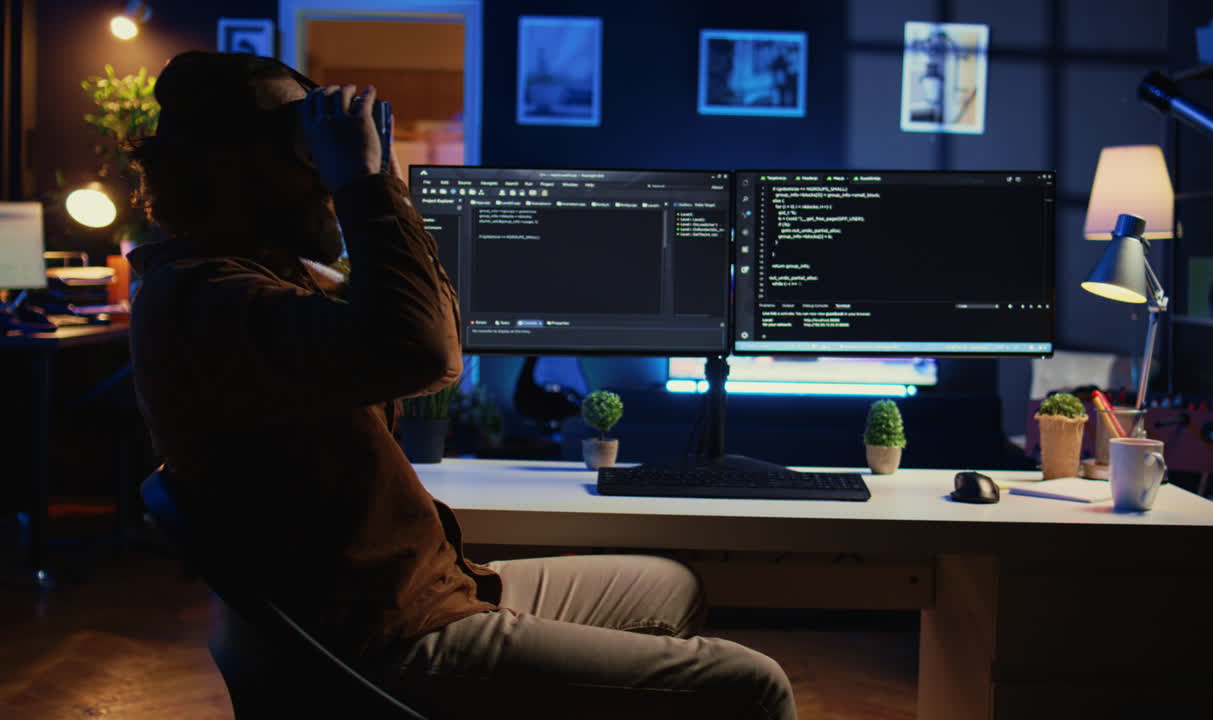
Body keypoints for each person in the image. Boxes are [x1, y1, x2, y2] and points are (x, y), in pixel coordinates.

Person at [127, 51, 797, 720]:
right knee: (753, 685)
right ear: (221, 168)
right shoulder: (206, 300)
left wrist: (370, 182)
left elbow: (417, 318)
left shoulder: (256, 280)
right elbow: (421, 348)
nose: (319, 172)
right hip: (384, 635)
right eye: (300, 146)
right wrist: (364, 181)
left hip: (421, 590)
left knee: (666, 585)